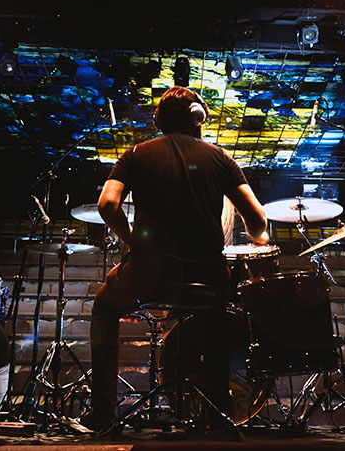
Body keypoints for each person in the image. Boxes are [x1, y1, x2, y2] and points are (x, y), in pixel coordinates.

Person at [84, 86, 269, 431]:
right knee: (215, 322)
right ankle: (218, 416)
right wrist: (260, 240)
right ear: (198, 118)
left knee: (104, 308)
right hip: (209, 278)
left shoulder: (136, 153)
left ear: (158, 120)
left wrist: (135, 243)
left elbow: (107, 205)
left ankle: (103, 411)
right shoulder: (222, 159)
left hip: (153, 273)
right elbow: (258, 221)